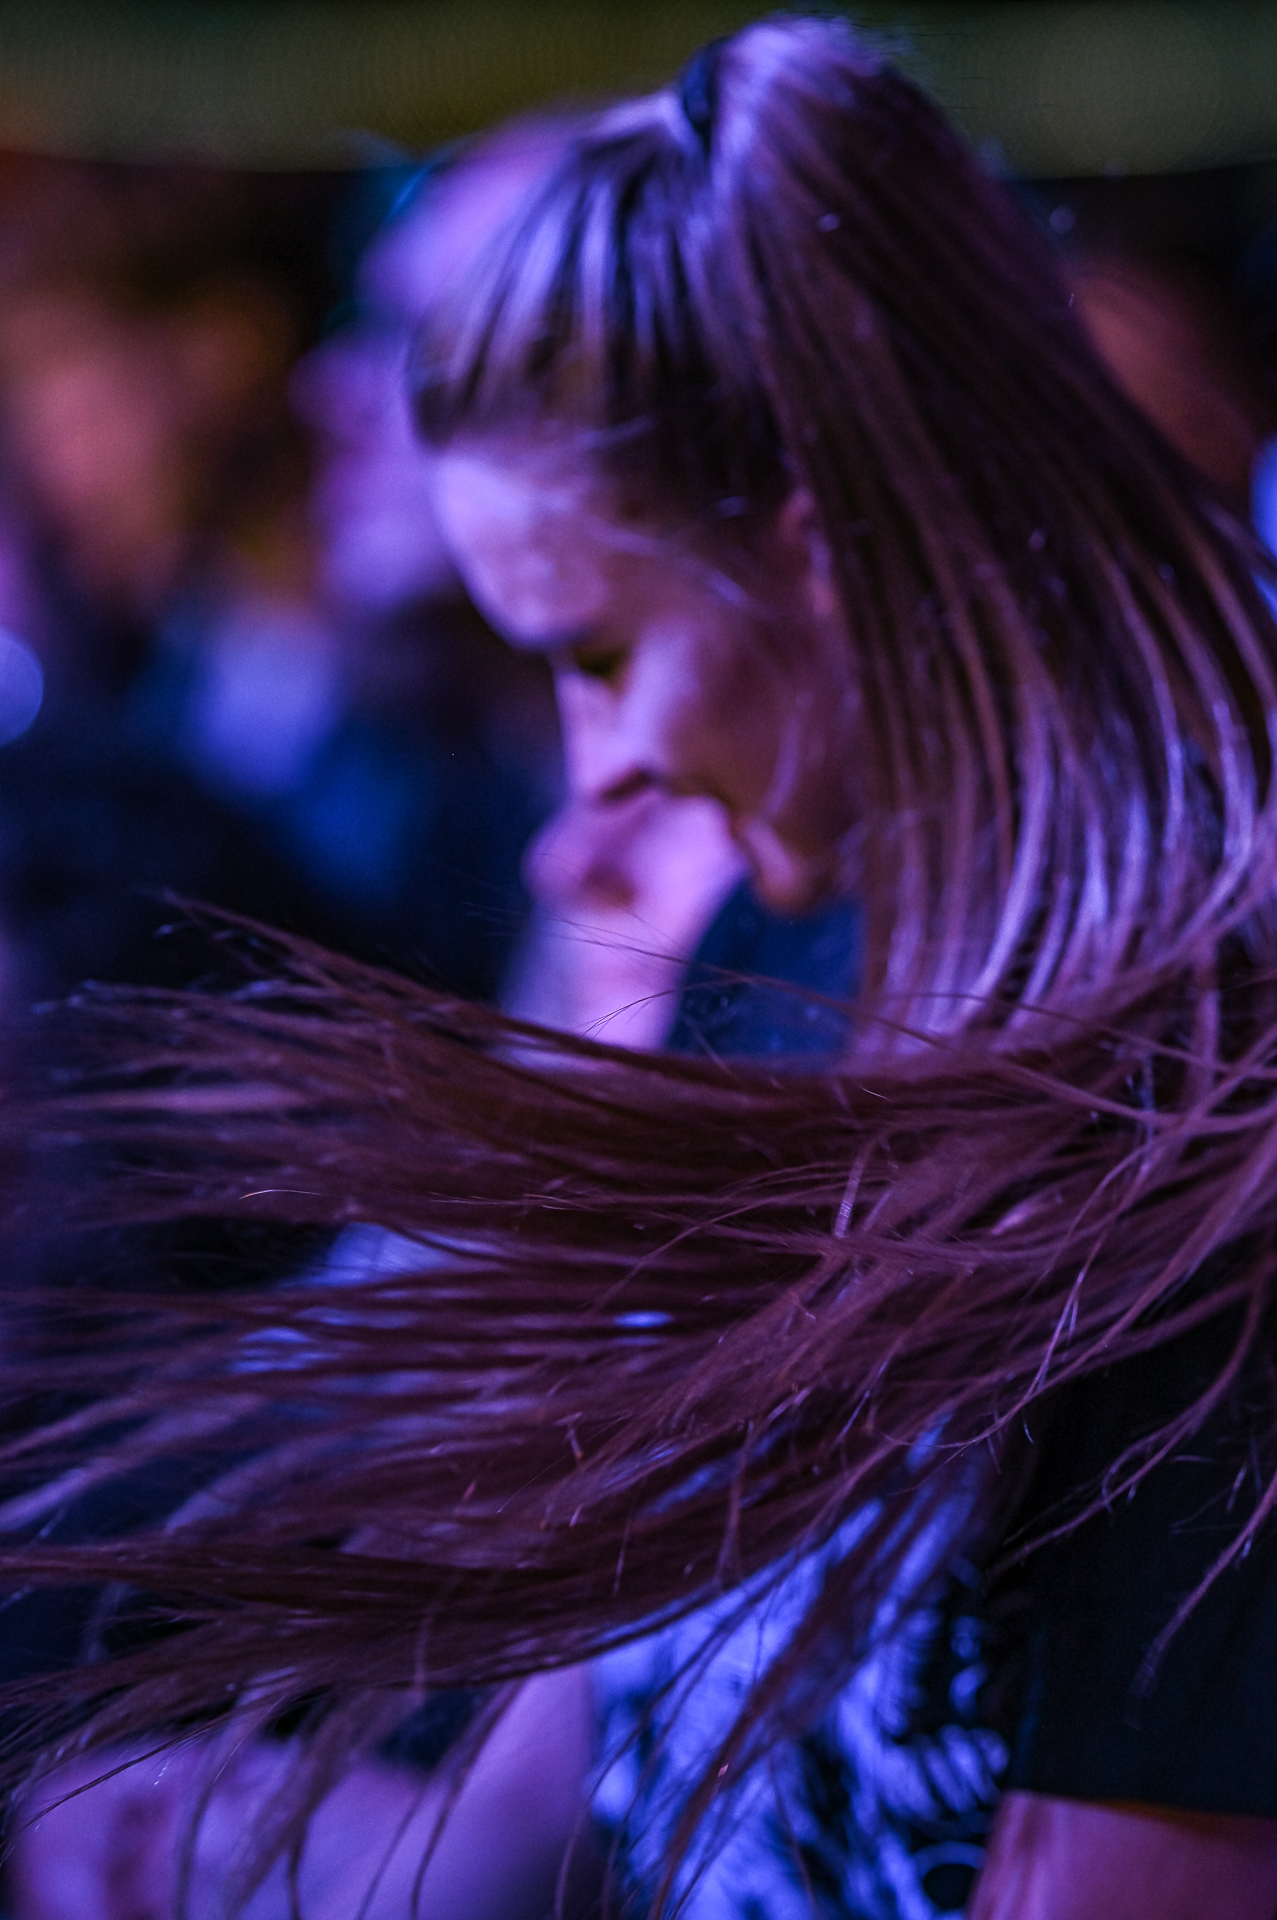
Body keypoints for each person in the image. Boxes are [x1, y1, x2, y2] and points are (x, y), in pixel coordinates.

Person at [8, 16, 1277, 1916]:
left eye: (601, 655)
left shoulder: (1200, 1089)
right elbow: (601, 1757)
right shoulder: (776, 949)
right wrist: (258, 1844)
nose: (589, 775)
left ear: (827, 551)